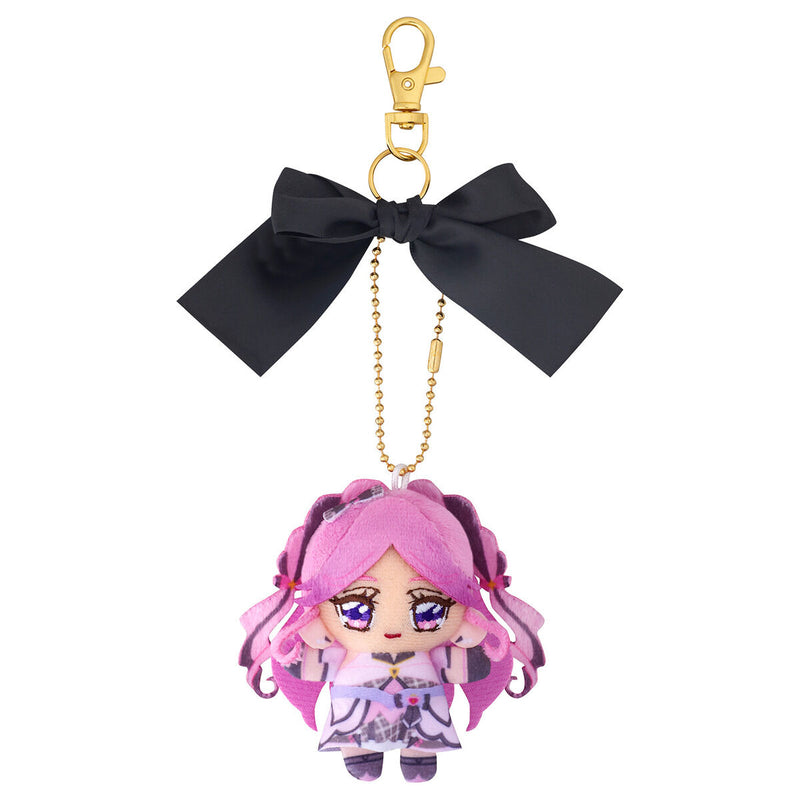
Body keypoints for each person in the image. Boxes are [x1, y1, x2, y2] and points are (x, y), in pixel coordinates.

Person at [239, 478, 545, 782]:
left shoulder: (414, 656)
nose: (392, 629)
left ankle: (417, 755)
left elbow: (469, 666)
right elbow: (307, 664)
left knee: (422, 733)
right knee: (358, 730)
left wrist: (478, 655)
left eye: (429, 610)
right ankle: (362, 753)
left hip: (417, 712)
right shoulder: (349, 652)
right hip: (358, 712)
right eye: (356, 609)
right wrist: (295, 656)